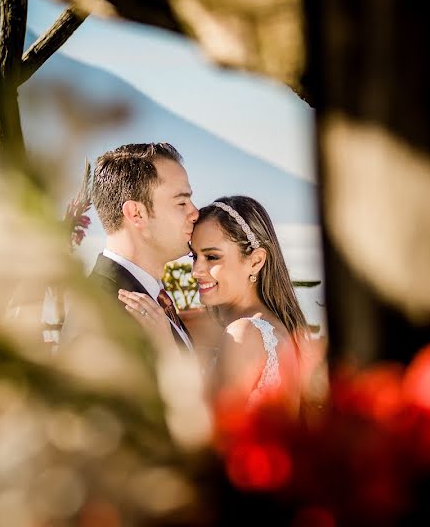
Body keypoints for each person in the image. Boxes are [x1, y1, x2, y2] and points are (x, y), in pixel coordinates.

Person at [61, 142, 199, 357]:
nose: (195, 213)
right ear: (136, 213)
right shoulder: (99, 312)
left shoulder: (155, 297)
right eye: (181, 203)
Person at [189, 195, 314, 416]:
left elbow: (210, 439)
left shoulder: (245, 333)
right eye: (194, 256)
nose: (196, 271)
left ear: (255, 261)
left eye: (211, 257)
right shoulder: (272, 327)